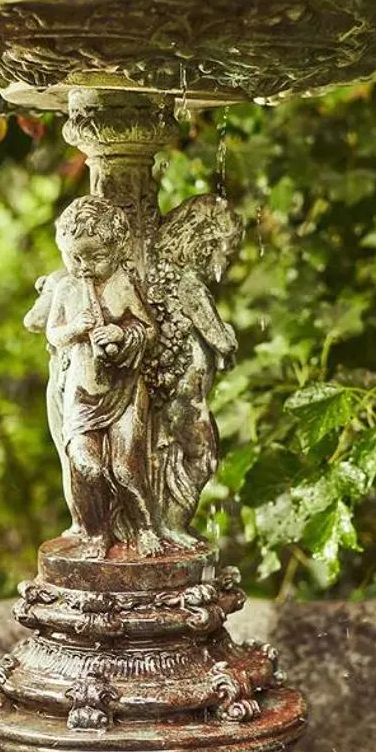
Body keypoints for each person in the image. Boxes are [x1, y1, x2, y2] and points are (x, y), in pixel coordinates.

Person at [26, 195, 163, 558]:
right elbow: (52, 334)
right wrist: (75, 329)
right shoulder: (68, 288)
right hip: (82, 394)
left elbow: (149, 330)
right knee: (86, 465)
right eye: (75, 258)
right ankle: (96, 532)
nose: (84, 267)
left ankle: (146, 527)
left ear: (118, 249)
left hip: (123, 391)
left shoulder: (122, 284)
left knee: (126, 467)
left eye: (95, 257)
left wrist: (121, 334)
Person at [148, 194, 242, 540]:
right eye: (223, 252)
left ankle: (170, 523)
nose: (223, 263)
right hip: (185, 395)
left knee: (188, 456)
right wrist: (226, 338)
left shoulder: (170, 279)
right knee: (202, 457)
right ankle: (172, 525)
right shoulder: (186, 284)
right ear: (203, 241)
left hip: (184, 390)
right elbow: (222, 338)